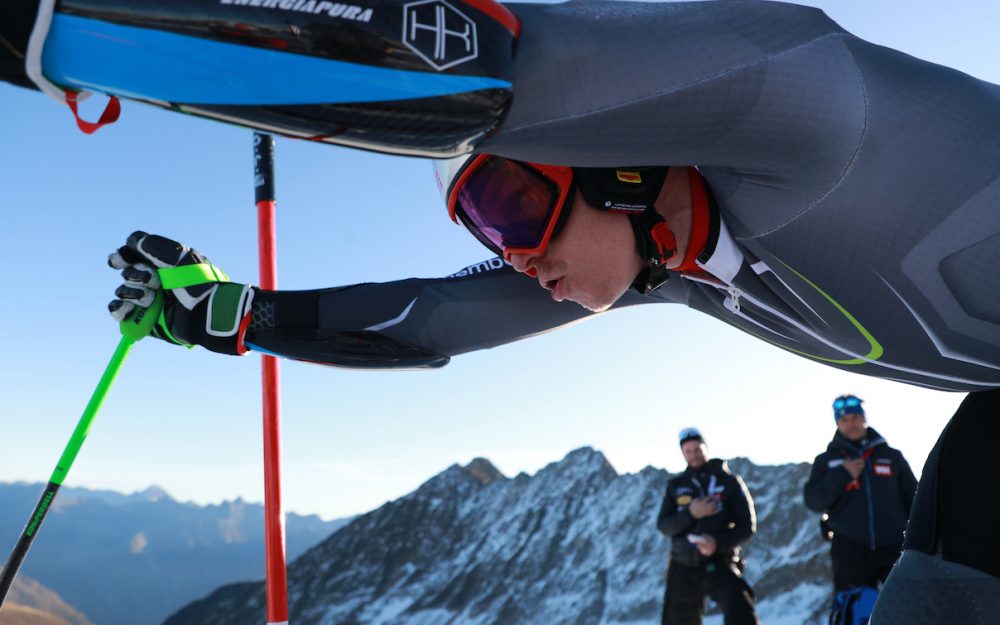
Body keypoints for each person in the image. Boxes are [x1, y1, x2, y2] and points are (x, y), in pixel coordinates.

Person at [4, 1, 1000, 622]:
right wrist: (225, 315)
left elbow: (457, 57)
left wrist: (59, 30)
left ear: (621, 158)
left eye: (511, 202)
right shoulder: (677, 263)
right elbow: (430, 322)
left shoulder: (805, 105)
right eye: (484, 227)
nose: (518, 255)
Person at [804, 395, 917, 624]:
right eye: (844, 419)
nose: (851, 423)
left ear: (864, 419)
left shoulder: (890, 456)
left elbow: (914, 498)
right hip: (849, 548)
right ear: (837, 423)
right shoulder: (826, 461)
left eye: (855, 417)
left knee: (907, 608)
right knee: (854, 613)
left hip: (894, 545)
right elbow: (814, 501)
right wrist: (843, 474)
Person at [656, 428, 758, 625]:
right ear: (683, 454)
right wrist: (691, 513)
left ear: (706, 448)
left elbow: (747, 526)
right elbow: (664, 525)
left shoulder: (729, 482)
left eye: (697, 449)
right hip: (683, 563)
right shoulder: (675, 486)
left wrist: (716, 543)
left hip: (720, 559)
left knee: (740, 607)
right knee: (677, 618)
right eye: (688, 451)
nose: (693, 455)